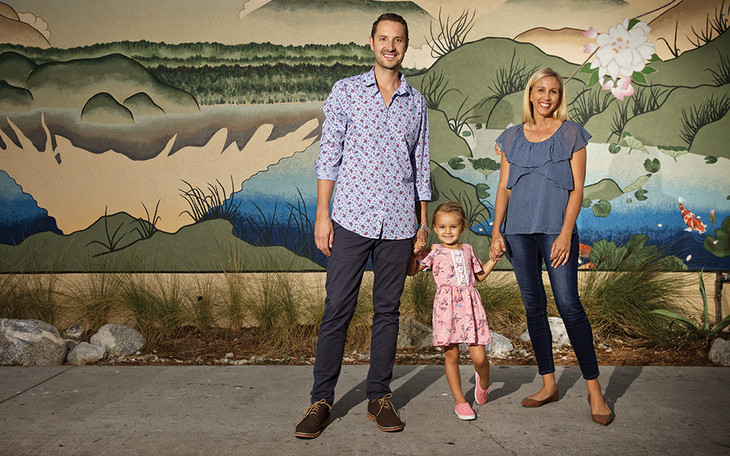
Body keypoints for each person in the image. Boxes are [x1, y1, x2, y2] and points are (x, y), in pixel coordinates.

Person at [294, 13, 431, 439]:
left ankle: (379, 396)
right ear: (371, 42)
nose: (391, 46)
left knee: (387, 312)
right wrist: (322, 215)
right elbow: (328, 155)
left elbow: (421, 166)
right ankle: (321, 400)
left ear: (406, 46)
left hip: (398, 225)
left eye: (399, 40)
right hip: (351, 219)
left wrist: (422, 227)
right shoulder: (347, 91)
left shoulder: (417, 102)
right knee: (337, 309)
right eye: (384, 38)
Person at [489, 68, 614, 425]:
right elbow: (504, 188)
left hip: (556, 232)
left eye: (554, 91)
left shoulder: (572, 133)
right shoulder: (511, 137)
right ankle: (548, 384)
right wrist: (497, 231)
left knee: (569, 305)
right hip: (518, 232)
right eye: (540, 90)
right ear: (530, 95)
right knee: (534, 307)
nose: (547, 97)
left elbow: (577, 189)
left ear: (560, 96)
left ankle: (594, 391)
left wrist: (565, 233)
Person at [407, 201, 496, 420]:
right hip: (446, 310)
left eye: (453, 227)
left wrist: (493, 259)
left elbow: (479, 275)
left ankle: (483, 382)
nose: (448, 231)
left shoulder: (468, 250)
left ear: (462, 227)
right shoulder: (434, 251)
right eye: (442, 227)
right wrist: (414, 252)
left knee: (480, 359)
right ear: (435, 229)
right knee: (452, 356)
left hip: (470, 308)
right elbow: (411, 271)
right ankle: (460, 401)